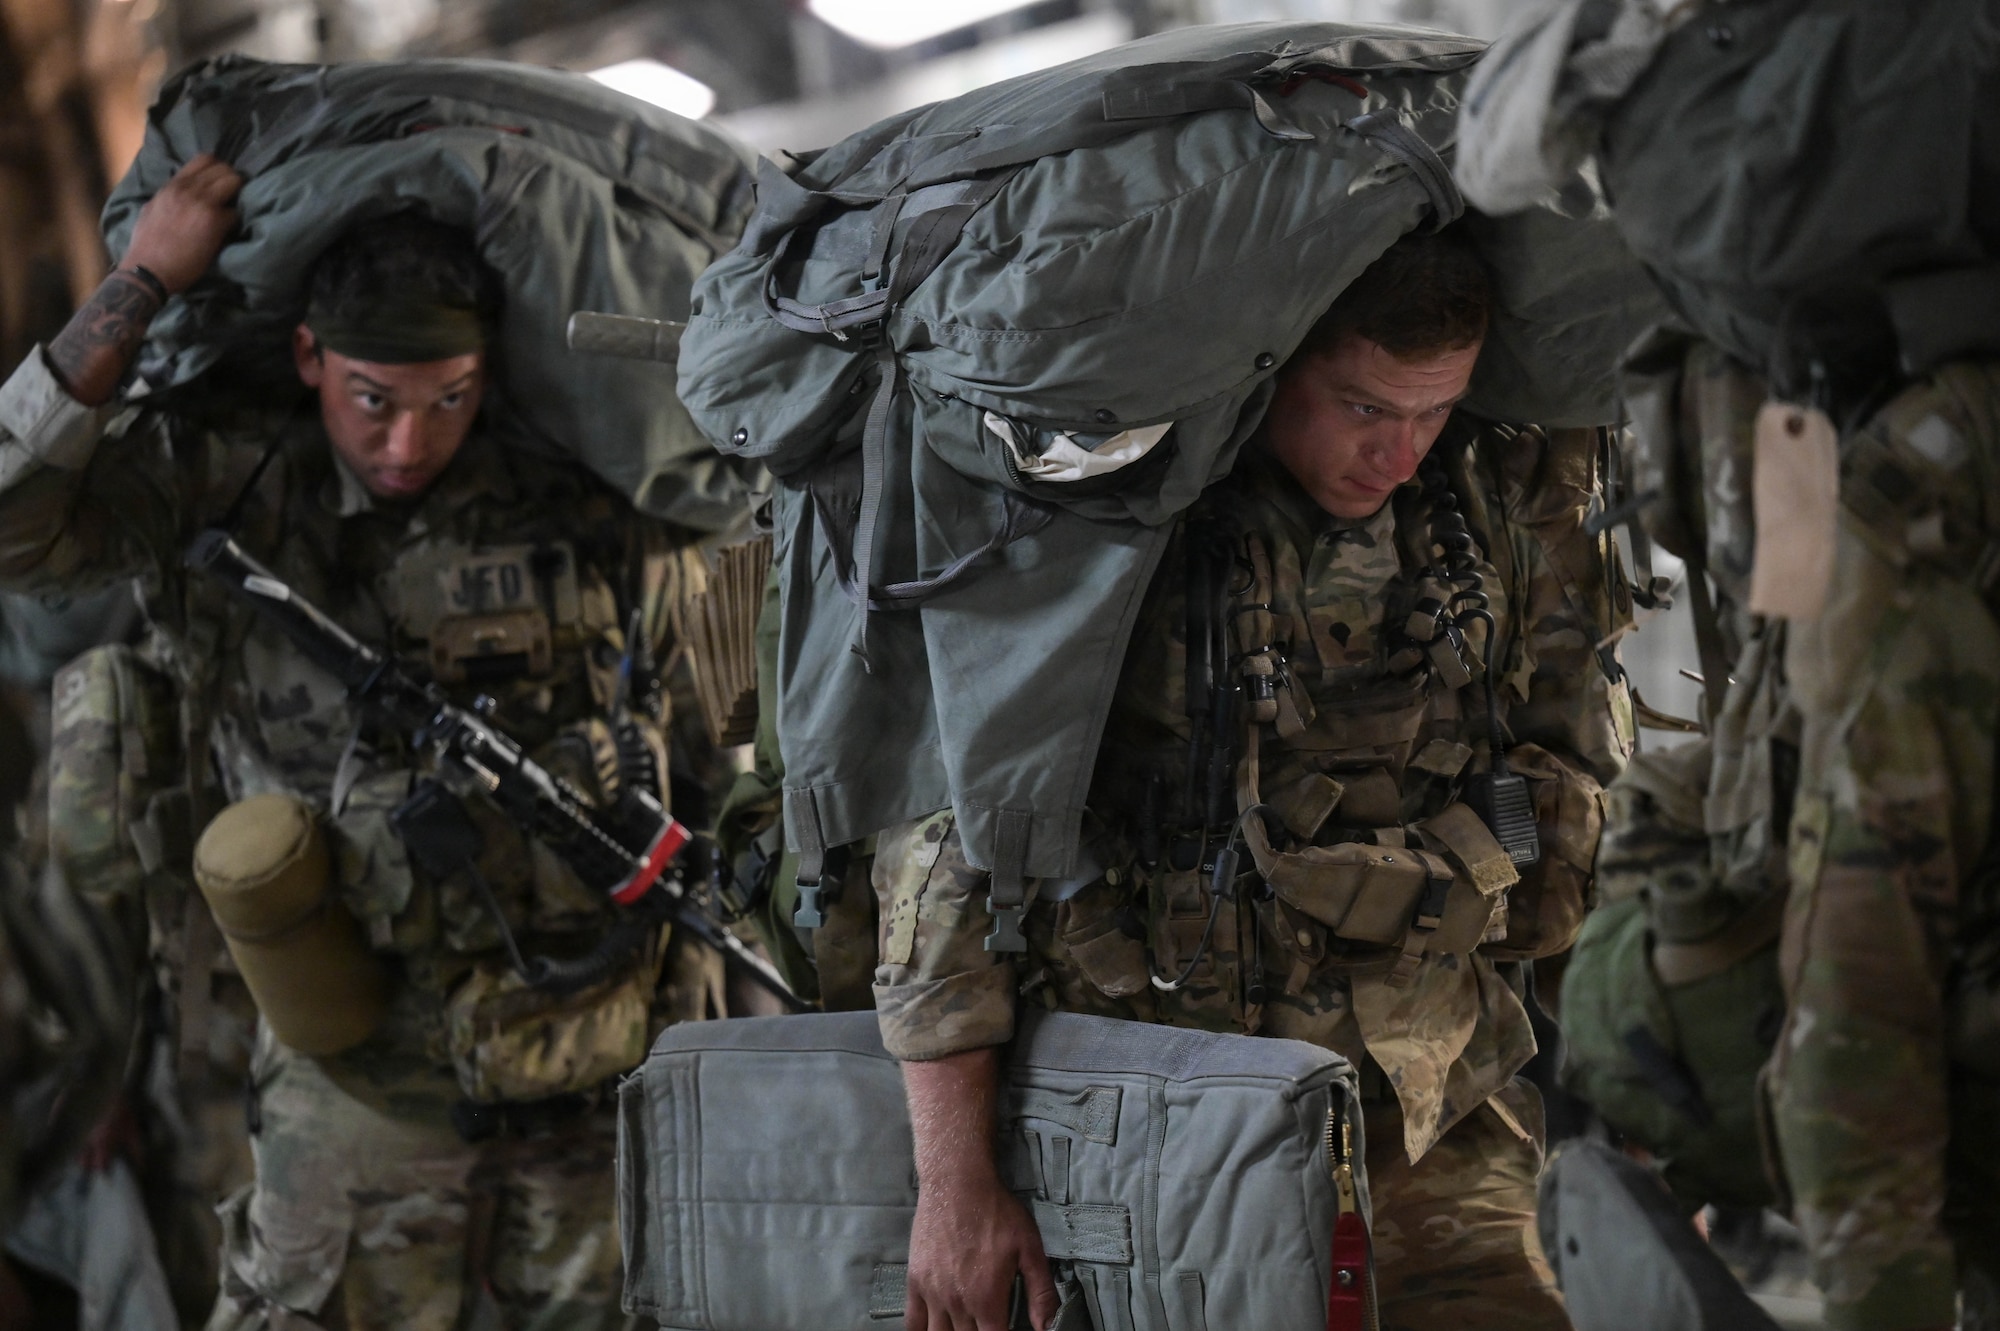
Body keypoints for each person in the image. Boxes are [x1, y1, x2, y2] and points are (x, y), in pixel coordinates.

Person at [0, 153, 720, 1329]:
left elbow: (689, 713)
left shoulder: (577, 483)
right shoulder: (227, 486)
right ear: (307, 361)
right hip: (361, 1079)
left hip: (592, 1067)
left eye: (449, 397)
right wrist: (140, 279)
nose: (405, 442)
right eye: (371, 399)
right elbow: (15, 520)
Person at [874, 229, 1632, 1331]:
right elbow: (943, 847)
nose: (1400, 452)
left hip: (1421, 1098)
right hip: (1156, 1112)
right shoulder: (1106, 523)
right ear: (1271, 365)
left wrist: (1623, 1126)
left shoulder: (1485, 507)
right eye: (1366, 407)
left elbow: (1568, 794)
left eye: (1431, 413)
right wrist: (950, 1183)